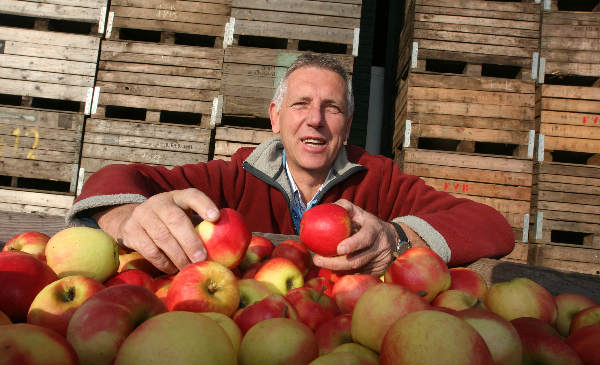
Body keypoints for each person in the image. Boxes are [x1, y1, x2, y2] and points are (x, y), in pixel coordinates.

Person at [67, 54, 515, 276]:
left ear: (348, 122)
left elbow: (491, 225)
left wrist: (396, 238)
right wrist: (127, 215)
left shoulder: (379, 179)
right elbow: (120, 177)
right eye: (300, 104)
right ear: (276, 117)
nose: (315, 120)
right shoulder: (233, 178)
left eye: (332, 108)